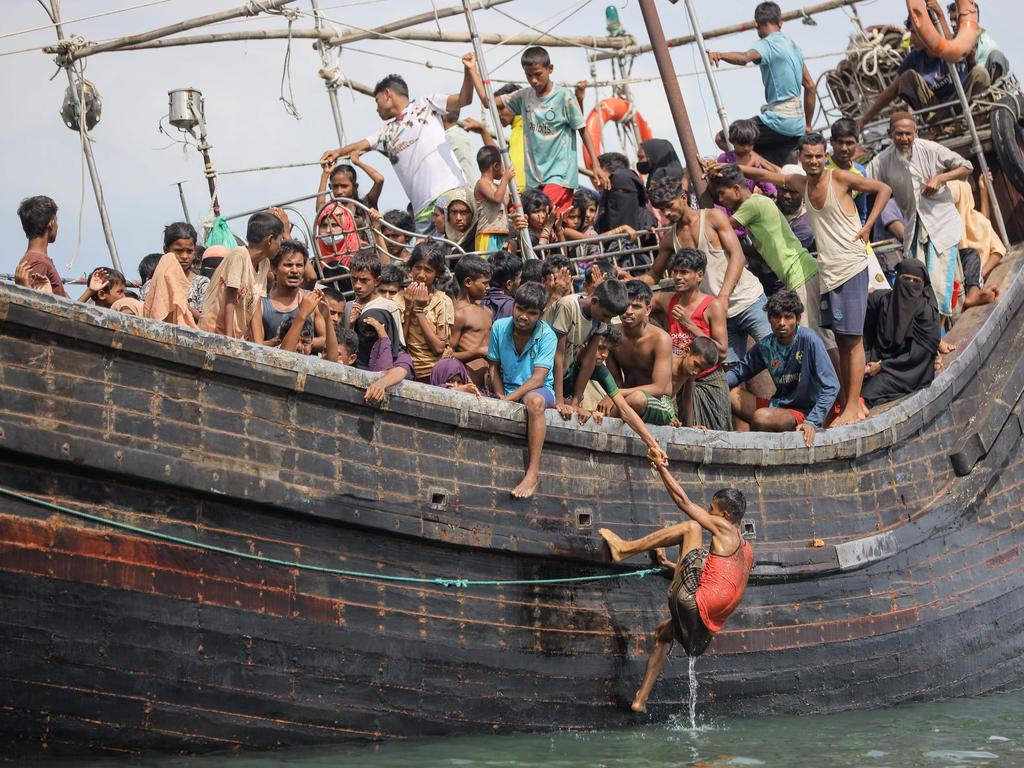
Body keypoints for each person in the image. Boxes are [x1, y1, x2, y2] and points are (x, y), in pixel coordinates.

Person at [735, 133, 893, 426]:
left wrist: (869, 225)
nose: (814, 161)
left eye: (819, 155)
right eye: (808, 156)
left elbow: (883, 188)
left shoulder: (840, 179)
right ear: (800, 157)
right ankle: (849, 404)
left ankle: (853, 407)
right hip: (828, 273)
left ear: (825, 155)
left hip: (851, 266)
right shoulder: (801, 184)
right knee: (843, 341)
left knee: (852, 341)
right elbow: (764, 173)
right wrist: (731, 168)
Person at [599, 465, 752, 713]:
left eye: (712, 509)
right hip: (703, 634)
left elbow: (683, 501)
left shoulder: (725, 530)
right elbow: (716, 579)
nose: (708, 513)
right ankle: (641, 700)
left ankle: (623, 549)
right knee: (664, 634)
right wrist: (673, 565)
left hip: (691, 603)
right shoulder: (746, 551)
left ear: (724, 516)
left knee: (691, 527)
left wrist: (660, 468)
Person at [319, 56, 480, 234]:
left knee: (458, 250)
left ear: (388, 94)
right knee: (429, 259)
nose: (376, 108)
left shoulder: (425, 104)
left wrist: (468, 70)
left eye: (377, 100)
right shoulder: (385, 133)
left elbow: (464, 99)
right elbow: (360, 145)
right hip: (422, 211)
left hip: (449, 194)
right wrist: (337, 152)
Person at [707, 165, 837, 357]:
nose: (720, 200)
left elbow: (717, 226)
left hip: (801, 274)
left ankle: (840, 386)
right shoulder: (759, 203)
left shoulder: (751, 205)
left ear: (736, 189)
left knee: (817, 339)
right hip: (800, 273)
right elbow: (755, 251)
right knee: (818, 337)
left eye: (721, 193)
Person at [645, 175, 770, 363]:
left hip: (749, 301)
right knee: (728, 375)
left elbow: (738, 255)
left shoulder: (713, 217)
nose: (667, 213)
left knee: (777, 357)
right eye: (662, 209)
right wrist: (626, 282)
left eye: (669, 205)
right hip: (719, 316)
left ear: (683, 197)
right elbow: (653, 274)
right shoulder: (670, 239)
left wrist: (723, 297)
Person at [865, 113, 974, 316]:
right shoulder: (883, 160)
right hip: (914, 227)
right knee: (918, 282)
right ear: (890, 134)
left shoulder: (930, 149)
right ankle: (936, 334)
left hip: (942, 224)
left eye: (908, 134)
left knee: (941, 283)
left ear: (916, 133)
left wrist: (941, 178)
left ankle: (944, 333)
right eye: (899, 134)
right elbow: (863, 181)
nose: (904, 139)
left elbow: (966, 166)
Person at [493, 46, 609, 213]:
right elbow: (488, 101)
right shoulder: (525, 97)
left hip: (559, 175)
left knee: (535, 212)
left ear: (550, 69)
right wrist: (472, 70)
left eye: (538, 74)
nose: (533, 80)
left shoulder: (564, 96)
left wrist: (595, 165)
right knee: (548, 224)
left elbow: (582, 129)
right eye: (528, 75)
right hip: (534, 178)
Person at [727, 290, 840, 446]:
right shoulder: (766, 345)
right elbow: (739, 372)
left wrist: (812, 421)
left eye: (788, 317)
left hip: (806, 411)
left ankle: (758, 452)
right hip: (779, 405)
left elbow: (831, 385)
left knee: (761, 417)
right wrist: (709, 382)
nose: (781, 323)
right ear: (769, 318)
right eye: (776, 317)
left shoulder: (809, 339)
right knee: (727, 392)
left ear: (798, 319)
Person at [707, 1, 815, 165]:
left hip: (778, 120)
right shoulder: (794, 47)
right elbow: (810, 86)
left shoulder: (767, 44)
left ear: (756, 24)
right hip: (797, 125)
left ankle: (757, 171)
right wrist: (807, 125)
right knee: (769, 158)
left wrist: (720, 55)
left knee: (724, 138)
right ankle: (769, 170)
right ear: (781, 22)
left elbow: (744, 58)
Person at [486, 282, 558, 499]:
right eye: (520, 309)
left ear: (541, 314)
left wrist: (509, 399)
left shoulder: (548, 336)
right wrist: (500, 394)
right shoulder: (499, 327)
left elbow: (538, 378)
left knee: (534, 402)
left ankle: (532, 473)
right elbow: (493, 366)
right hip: (507, 390)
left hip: (539, 390)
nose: (524, 316)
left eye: (531, 313)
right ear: (513, 305)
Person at [858, 18, 991, 130]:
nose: (911, 39)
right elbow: (891, 91)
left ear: (928, 32)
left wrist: (970, 54)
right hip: (938, 111)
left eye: (915, 33)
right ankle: (939, 126)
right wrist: (865, 119)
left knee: (980, 73)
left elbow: (971, 65)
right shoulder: (914, 58)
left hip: (963, 101)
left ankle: (972, 119)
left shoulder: (952, 43)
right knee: (907, 77)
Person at [653, 249, 731, 432]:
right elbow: (643, 301)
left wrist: (690, 325)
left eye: (684, 272)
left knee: (715, 433)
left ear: (699, 275)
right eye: (675, 271)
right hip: (682, 380)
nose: (678, 277)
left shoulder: (713, 306)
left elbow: (722, 352)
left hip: (709, 380)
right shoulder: (669, 300)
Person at [862, 259, 942, 407]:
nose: (910, 284)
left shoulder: (926, 314)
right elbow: (865, 337)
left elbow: (919, 356)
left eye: (915, 281)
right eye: (906, 279)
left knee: (869, 391)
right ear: (897, 279)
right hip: (875, 361)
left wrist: (883, 366)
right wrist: (866, 362)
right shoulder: (880, 300)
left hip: (906, 370)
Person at [599, 280, 675, 426]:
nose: (628, 311)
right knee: (610, 405)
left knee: (637, 399)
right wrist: (615, 395)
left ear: (647, 310)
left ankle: (602, 428)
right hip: (626, 398)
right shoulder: (613, 335)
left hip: (659, 402)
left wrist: (616, 394)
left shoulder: (661, 339)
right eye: (625, 305)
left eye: (636, 306)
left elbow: (659, 388)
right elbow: (616, 381)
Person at [548, 279, 628, 418]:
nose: (608, 321)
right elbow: (558, 355)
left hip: (563, 373)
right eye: (606, 316)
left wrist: (575, 402)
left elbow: (588, 361)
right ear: (594, 301)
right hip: (543, 370)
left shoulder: (600, 321)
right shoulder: (568, 306)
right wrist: (559, 400)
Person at [200, 211, 279, 339]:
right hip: (214, 332)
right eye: (280, 240)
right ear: (270, 240)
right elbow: (230, 299)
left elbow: (256, 308)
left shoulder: (264, 264)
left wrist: (259, 347)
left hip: (236, 336)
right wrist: (229, 340)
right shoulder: (239, 255)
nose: (280, 245)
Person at [394, 242, 454, 381]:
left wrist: (420, 312)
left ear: (437, 274)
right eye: (417, 268)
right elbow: (398, 345)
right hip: (406, 370)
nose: (421, 275)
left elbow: (439, 348)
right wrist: (409, 309)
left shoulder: (442, 301)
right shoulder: (398, 299)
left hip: (437, 372)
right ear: (411, 268)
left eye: (428, 270)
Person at [252, 241, 326, 349]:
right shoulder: (262, 304)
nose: (295, 270)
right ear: (274, 268)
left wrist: (303, 342)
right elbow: (257, 346)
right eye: (288, 265)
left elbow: (325, 340)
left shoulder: (312, 300)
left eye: (299, 265)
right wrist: (276, 342)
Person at [438, 255, 493, 391]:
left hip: (488, 383)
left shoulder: (487, 311)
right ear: (468, 282)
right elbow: (447, 355)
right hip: (467, 383)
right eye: (484, 283)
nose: (489, 287)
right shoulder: (458, 314)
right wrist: (477, 352)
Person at [17, 195, 67, 297]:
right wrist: (26, 287)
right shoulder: (38, 262)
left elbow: (72, 308)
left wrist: (90, 291)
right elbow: (32, 309)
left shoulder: (36, 260)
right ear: (52, 223)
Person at [948, 1, 1008, 78]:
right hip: (963, 85)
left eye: (956, 19)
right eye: (951, 20)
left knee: (996, 57)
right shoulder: (953, 41)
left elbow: (979, 73)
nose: (952, 24)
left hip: (984, 83)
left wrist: (971, 59)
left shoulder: (988, 45)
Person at [474, 145, 516, 253]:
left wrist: (512, 199)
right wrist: (506, 178)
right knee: (489, 266)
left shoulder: (498, 187)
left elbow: (503, 204)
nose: (504, 169)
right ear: (496, 166)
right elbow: (496, 198)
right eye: (502, 165)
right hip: (487, 234)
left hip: (502, 233)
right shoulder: (481, 183)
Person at [493, 82, 526, 193]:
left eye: (501, 108)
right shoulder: (515, 132)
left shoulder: (527, 123)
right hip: (517, 192)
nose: (498, 114)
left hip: (530, 190)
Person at [775, 164, 815, 251]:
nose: (787, 196)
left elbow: (777, 253)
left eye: (793, 192)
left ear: (803, 192)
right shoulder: (767, 205)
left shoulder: (804, 227)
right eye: (783, 189)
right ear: (777, 187)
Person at [483, 252, 522, 321]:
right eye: (519, 279)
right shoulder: (514, 308)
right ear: (509, 284)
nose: (521, 283)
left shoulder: (475, 303)